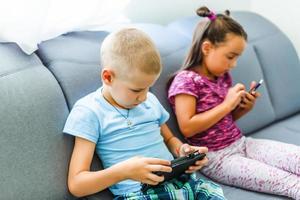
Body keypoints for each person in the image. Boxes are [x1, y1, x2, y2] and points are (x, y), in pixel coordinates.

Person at [63, 28, 226, 200]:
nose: (143, 97)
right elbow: (77, 184)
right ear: (108, 77)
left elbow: (170, 139)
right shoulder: (90, 111)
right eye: (137, 90)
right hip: (139, 194)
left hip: (182, 182)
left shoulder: (150, 101)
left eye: (149, 87)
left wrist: (183, 151)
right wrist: (124, 171)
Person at [168, 6, 300, 200]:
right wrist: (227, 105)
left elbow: (225, 119)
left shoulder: (221, 77)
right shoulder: (185, 81)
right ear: (207, 48)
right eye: (230, 57)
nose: (234, 64)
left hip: (242, 143)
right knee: (291, 183)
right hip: (217, 158)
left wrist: (243, 108)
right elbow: (188, 128)